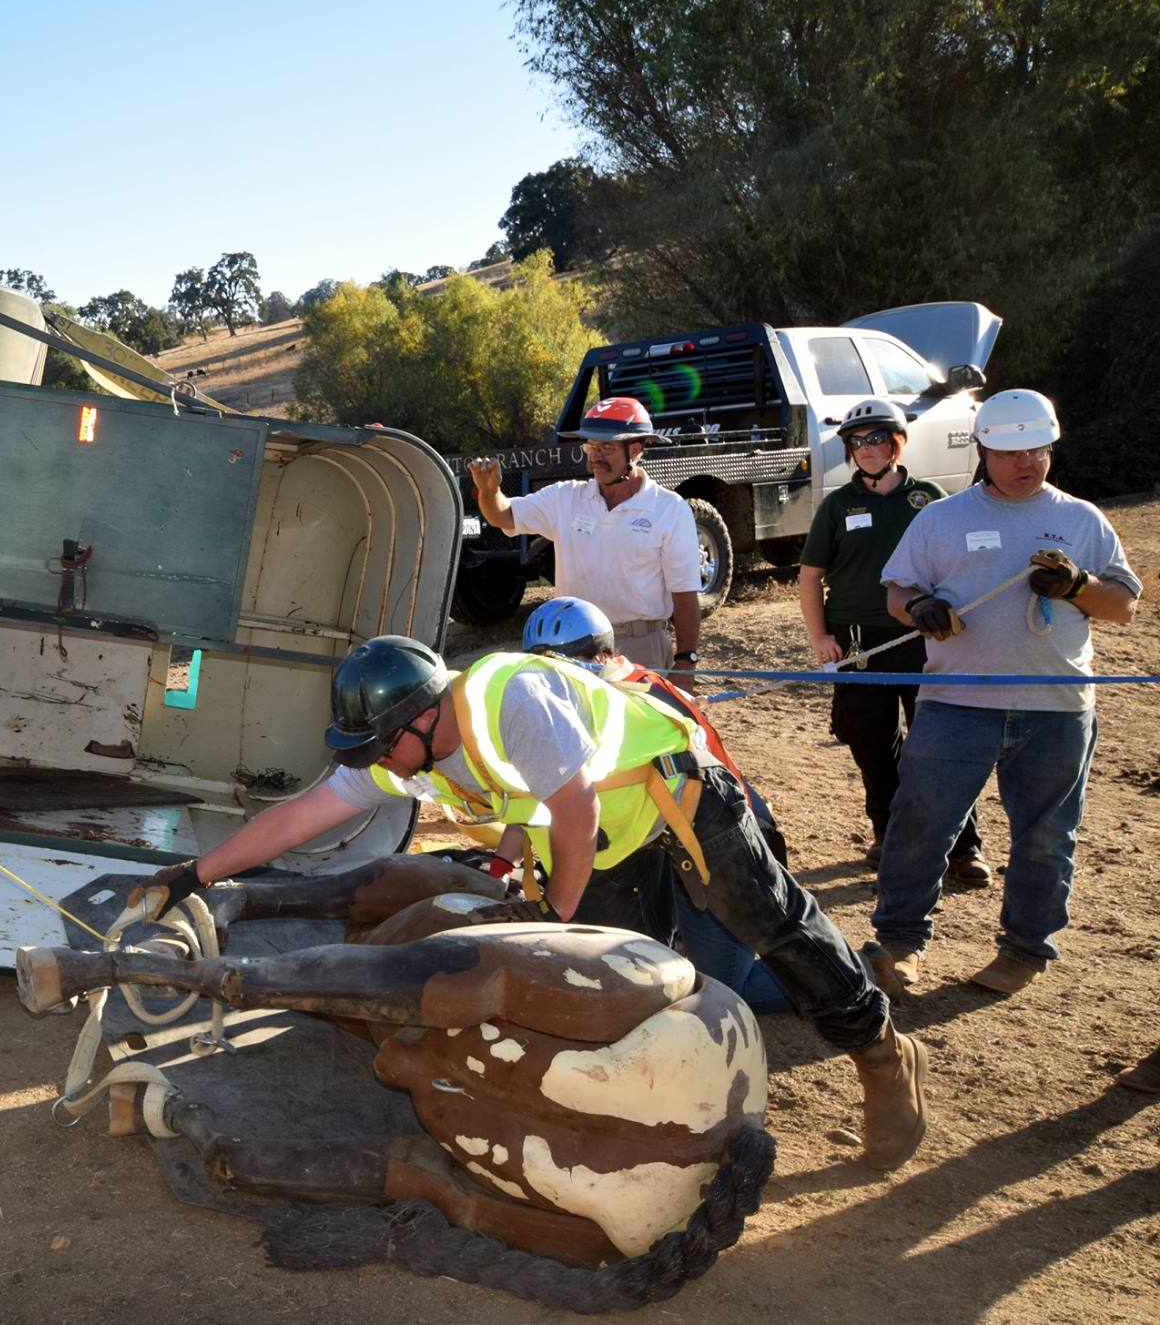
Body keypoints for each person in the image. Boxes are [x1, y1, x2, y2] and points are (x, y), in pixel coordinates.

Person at [133, 630, 930, 1170]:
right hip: (601, 840)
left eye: (382, 746)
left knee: (772, 925)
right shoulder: (409, 750)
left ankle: (880, 1051)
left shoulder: (507, 697)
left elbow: (574, 804)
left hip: (674, 794)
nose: (379, 765)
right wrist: (197, 874)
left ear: (419, 716)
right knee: (611, 987)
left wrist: (558, 919)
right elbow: (304, 811)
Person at [866, 390, 1140, 998]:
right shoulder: (940, 518)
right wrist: (920, 608)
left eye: (1038, 450)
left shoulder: (1082, 519)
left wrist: (1077, 585)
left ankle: (1023, 950)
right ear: (984, 450)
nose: (1027, 463)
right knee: (920, 824)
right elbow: (896, 592)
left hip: (1057, 708)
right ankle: (898, 945)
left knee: (1045, 836)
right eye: (1013, 452)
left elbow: (1121, 605)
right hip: (956, 703)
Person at [520, 596, 788, 1014]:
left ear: (605, 656)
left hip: (725, 848)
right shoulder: (574, 711)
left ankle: (849, 971)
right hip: (669, 846)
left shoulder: (641, 701)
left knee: (707, 995)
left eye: (567, 664)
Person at [797, 399, 988, 885]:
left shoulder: (930, 498)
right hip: (858, 643)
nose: (866, 449)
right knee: (872, 745)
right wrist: (820, 637)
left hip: (922, 636)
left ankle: (963, 847)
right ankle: (888, 835)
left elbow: (959, 564)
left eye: (876, 438)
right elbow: (811, 576)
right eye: (856, 442)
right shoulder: (837, 505)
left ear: (897, 443)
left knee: (938, 742)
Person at [468, 395, 701, 673]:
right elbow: (503, 516)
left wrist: (686, 663)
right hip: (574, 648)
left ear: (635, 450)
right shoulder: (565, 498)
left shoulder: (669, 510)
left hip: (641, 647)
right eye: (591, 447)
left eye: (607, 448)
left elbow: (685, 596)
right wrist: (489, 492)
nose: (595, 457)